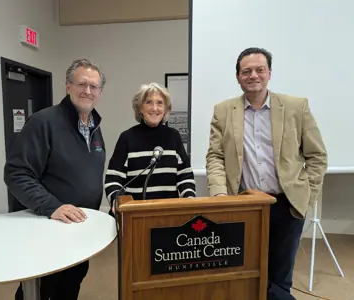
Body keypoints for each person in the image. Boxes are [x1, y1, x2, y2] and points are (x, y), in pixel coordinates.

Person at [205, 47, 328, 300]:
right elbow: (215, 156)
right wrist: (219, 195)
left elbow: (317, 156)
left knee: (280, 276)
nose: (253, 75)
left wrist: (306, 197)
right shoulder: (223, 110)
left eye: (260, 69)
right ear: (238, 77)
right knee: (244, 271)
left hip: (287, 204)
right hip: (244, 205)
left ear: (269, 73)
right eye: (246, 71)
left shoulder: (296, 107)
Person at [4, 58, 106, 300]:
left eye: (94, 86)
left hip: (79, 228)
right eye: (82, 84)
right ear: (68, 86)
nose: (87, 91)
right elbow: (17, 173)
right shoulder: (43, 122)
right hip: (47, 229)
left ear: (100, 92)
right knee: (41, 290)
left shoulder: (94, 126)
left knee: (71, 283)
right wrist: (53, 206)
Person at [105, 82, 196, 212]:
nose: (154, 108)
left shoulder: (173, 137)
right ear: (140, 108)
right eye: (148, 102)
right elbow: (113, 179)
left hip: (169, 216)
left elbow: (184, 175)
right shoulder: (127, 138)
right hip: (135, 217)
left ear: (165, 109)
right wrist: (118, 202)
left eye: (160, 103)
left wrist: (189, 198)